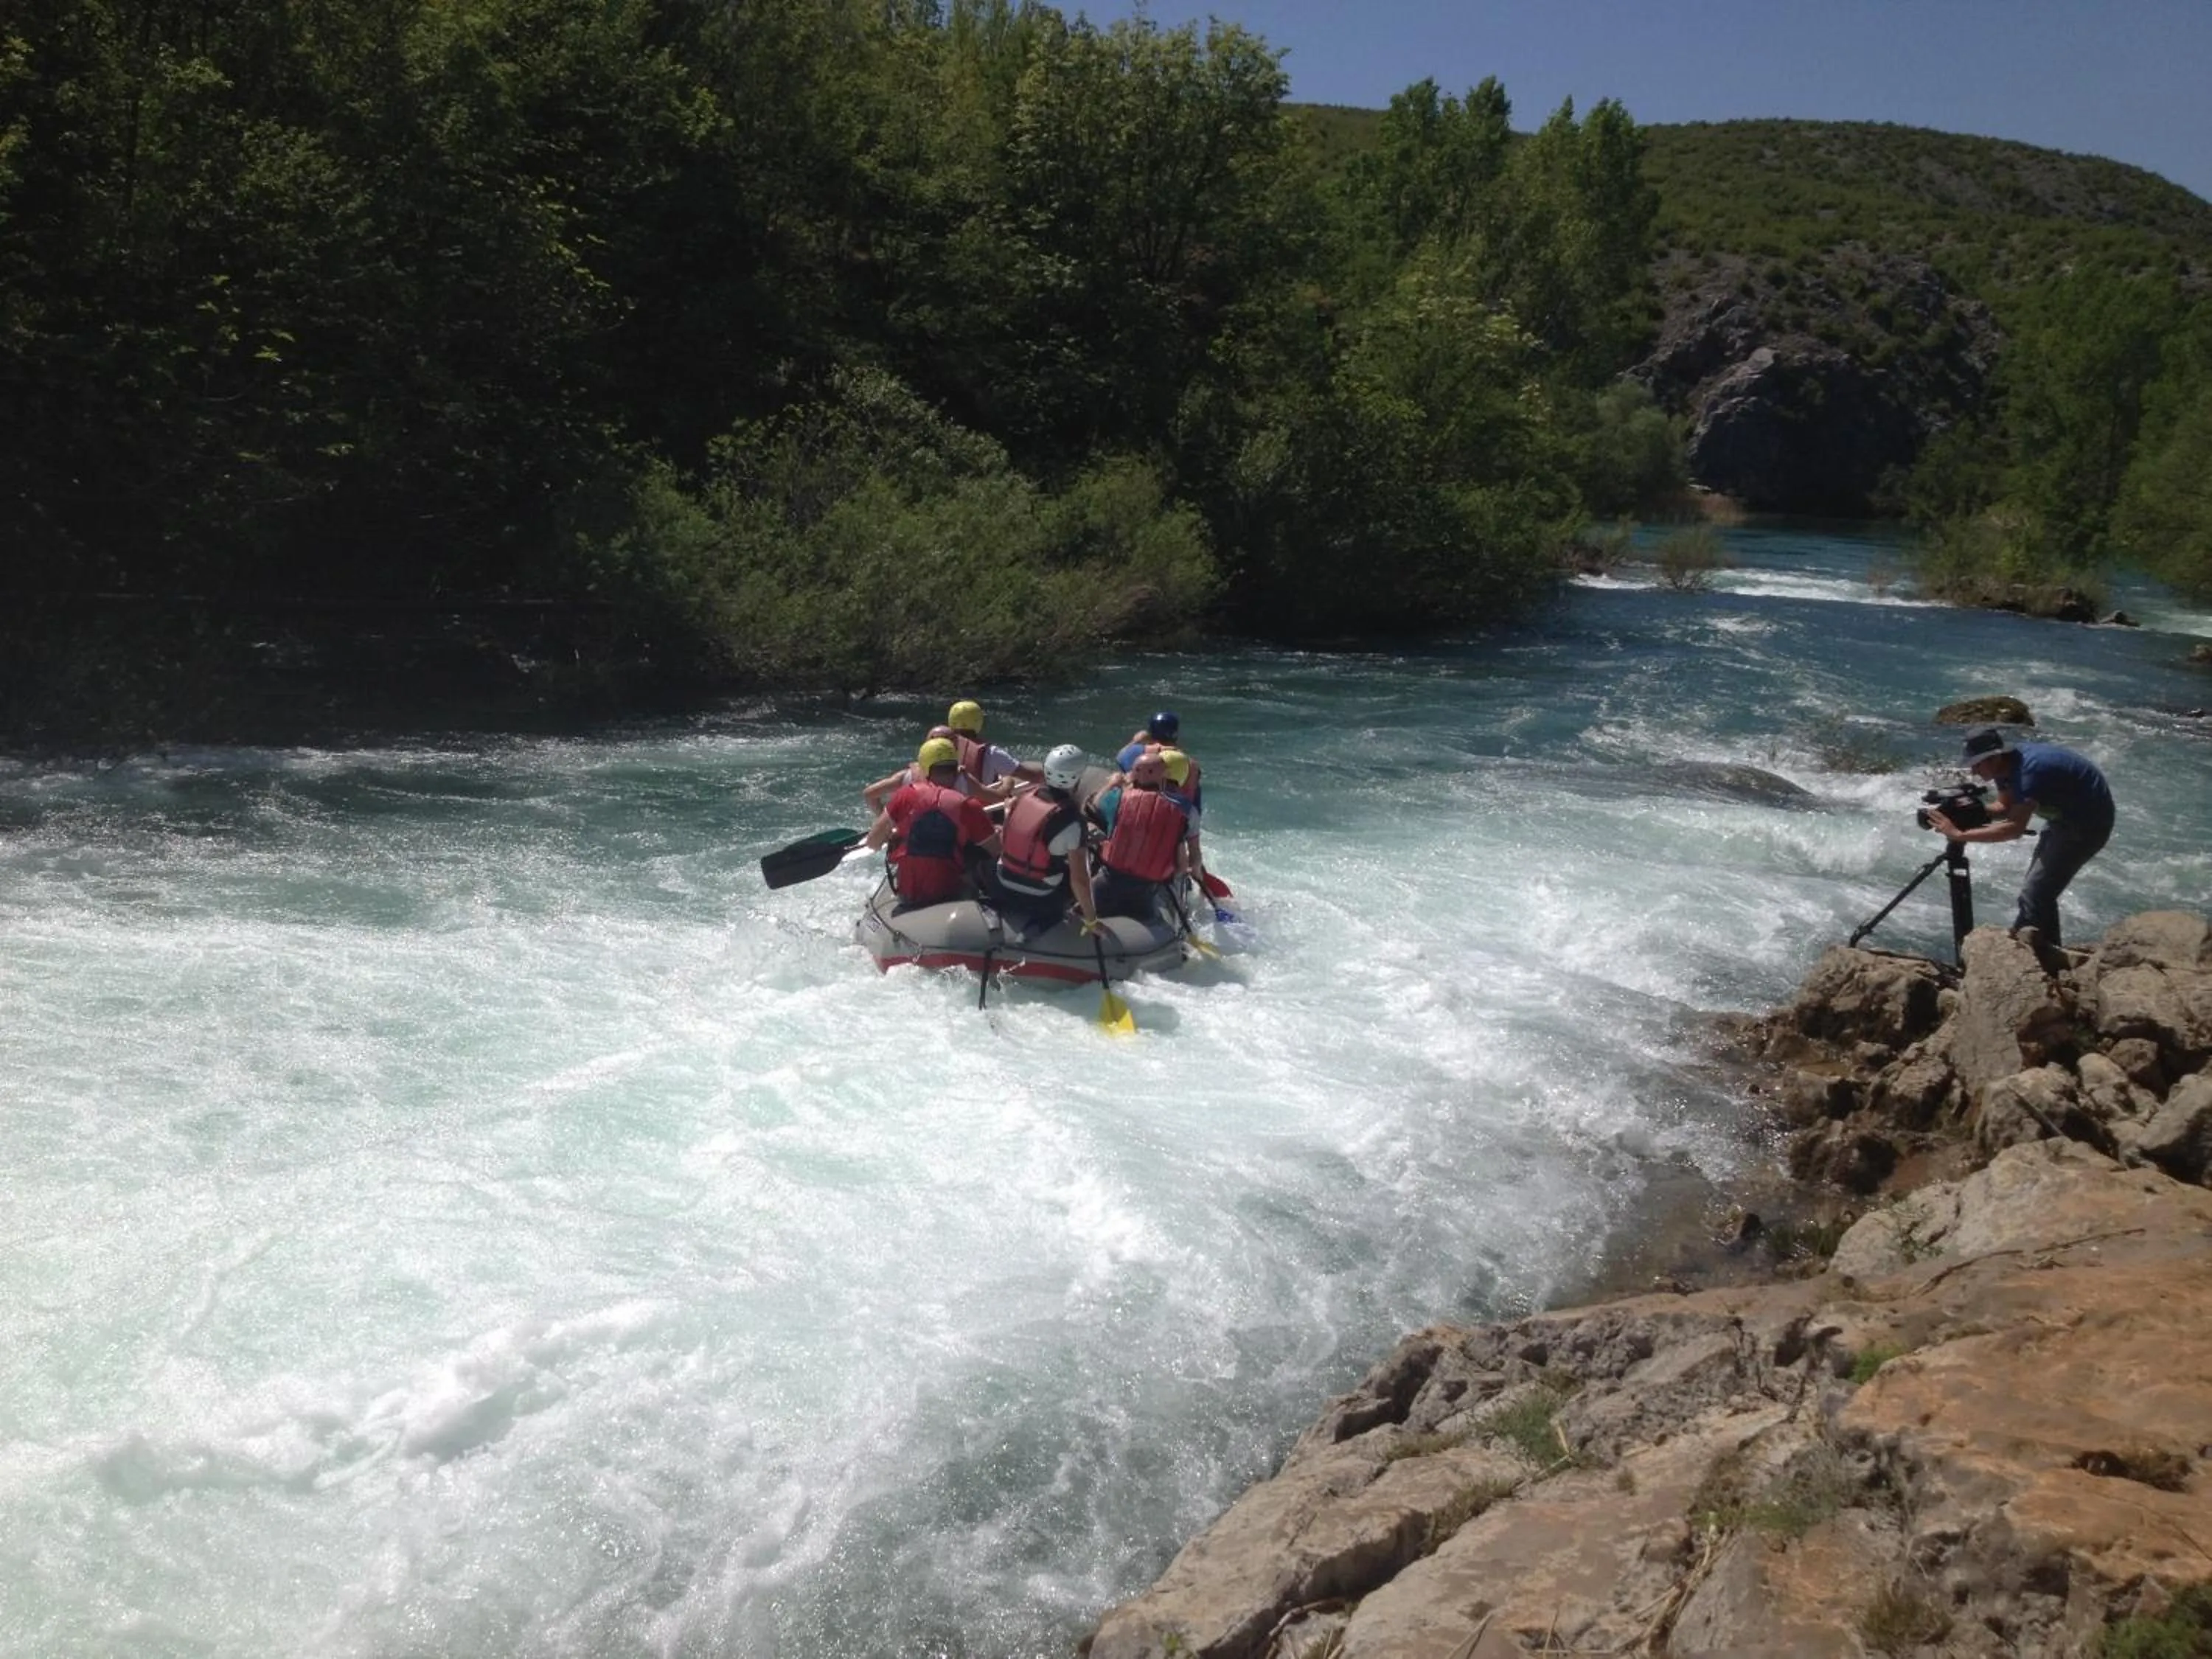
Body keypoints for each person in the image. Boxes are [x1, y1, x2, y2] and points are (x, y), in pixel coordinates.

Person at [1924, 725, 2115, 953]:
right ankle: (2046, 947)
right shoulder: (2004, 767)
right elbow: (2004, 807)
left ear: (1994, 757)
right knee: (2037, 892)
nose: (1974, 772)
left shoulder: (2029, 771)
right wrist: (1966, 812)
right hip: (2062, 819)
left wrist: (1959, 834)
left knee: (2035, 893)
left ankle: (2043, 956)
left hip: (2086, 825)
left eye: (1977, 764)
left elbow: (2013, 829)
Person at [863, 737, 1000, 907]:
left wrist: (894, 836)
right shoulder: (969, 805)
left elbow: (873, 842)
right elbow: (996, 851)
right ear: (957, 770)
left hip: (909, 895)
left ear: (925, 769)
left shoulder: (905, 796)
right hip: (955, 895)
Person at [990, 743, 1102, 937]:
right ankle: (1059, 919)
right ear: (1077, 779)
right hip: (1041, 897)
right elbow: (1080, 880)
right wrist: (1092, 920)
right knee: (1088, 863)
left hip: (1002, 886)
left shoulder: (1020, 800)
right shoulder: (1073, 821)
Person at [1091, 750, 1193, 922]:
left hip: (1108, 882)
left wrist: (1113, 784)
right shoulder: (1178, 815)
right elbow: (1182, 866)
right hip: (1144, 893)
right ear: (1164, 776)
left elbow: (1096, 804)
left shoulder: (1118, 798)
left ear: (1134, 774)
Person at [946, 699, 1042, 801]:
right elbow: (1029, 775)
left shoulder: (937, 750)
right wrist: (1008, 784)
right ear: (979, 722)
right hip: (983, 812)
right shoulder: (991, 752)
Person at [860, 725, 958, 814]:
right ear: (955, 748)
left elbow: (869, 794)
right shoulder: (965, 779)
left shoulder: (906, 777)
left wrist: (883, 820)